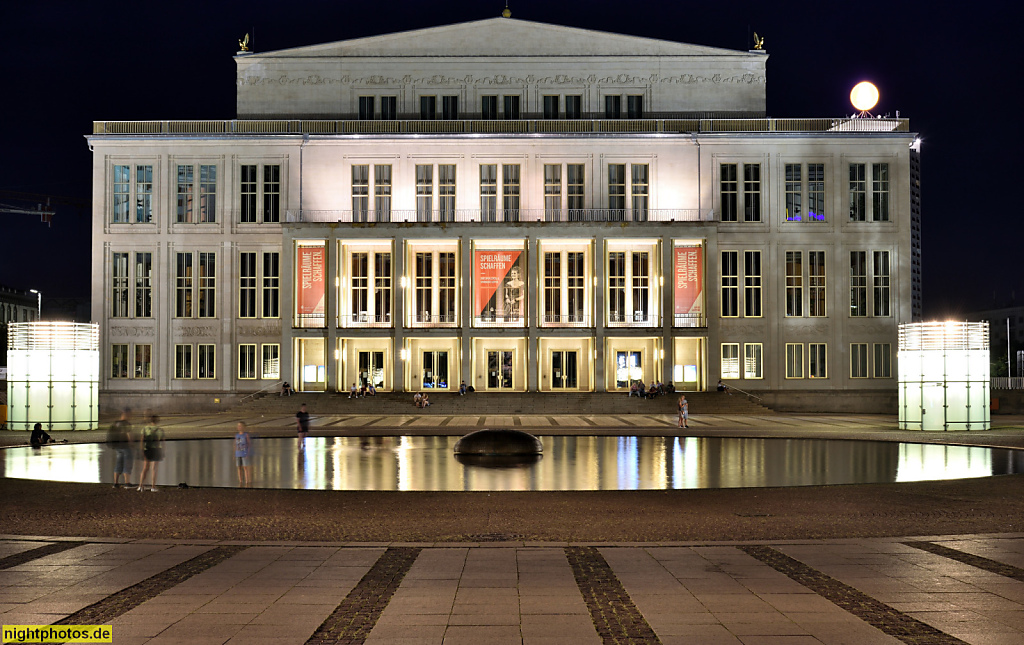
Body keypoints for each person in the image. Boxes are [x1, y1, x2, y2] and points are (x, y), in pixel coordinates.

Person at [107, 408, 134, 488]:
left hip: (117, 447)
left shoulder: (116, 423)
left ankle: (115, 483)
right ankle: (127, 483)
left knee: (118, 464)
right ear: (127, 414)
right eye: (130, 414)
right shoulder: (126, 424)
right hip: (126, 446)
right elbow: (129, 434)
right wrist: (132, 443)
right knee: (127, 464)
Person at [137, 414, 164, 492]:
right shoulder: (159, 430)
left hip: (147, 449)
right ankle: (153, 486)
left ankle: (140, 485)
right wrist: (163, 451)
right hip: (156, 450)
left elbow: (141, 440)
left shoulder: (145, 429)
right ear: (157, 421)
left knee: (145, 468)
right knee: (154, 468)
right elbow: (162, 442)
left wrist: (142, 450)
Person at [235, 421, 253, 487]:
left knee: (245, 467)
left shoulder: (246, 435)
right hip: (238, 453)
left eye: (240, 426)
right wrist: (234, 453)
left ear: (244, 427)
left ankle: (247, 481)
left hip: (244, 453)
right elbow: (235, 444)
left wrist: (248, 453)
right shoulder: (237, 435)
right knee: (239, 467)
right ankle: (240, 481)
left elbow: (249, 444)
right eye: (238, 426)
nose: (239, 427)